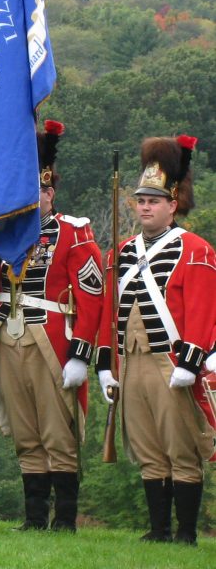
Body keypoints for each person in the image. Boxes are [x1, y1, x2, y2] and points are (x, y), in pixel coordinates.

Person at [0, 121, 104, 532]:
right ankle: (34, 520)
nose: (36, 197)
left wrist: (81, 352)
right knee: (26, 432)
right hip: (7, 335)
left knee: (56, 433)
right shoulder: (8, 231)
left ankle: (64, 520)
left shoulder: (73, 231)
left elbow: (92, 296)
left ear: (50, 192)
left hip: (50, 340)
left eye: (42, 191)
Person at [98, 135, 215, 545]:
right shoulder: (121, 253)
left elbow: (204, 311)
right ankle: (158, 530)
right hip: (130, 364)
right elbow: (107, 311)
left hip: (170, 361)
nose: (145, 207)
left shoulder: (194, 249)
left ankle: (185, 533)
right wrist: (104, 366)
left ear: (173, 204)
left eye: (154, 201)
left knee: (181, 450)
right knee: (149, 451)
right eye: (140, 200)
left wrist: (190, 363)